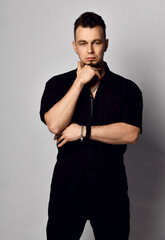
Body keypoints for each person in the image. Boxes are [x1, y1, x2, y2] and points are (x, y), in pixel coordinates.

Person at [40, 12, 143, 240]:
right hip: (68, 184)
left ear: (106, 44)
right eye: (83, 43)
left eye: (96, 42)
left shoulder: (127, 89)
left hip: (110, 184)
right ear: (74, 46)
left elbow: (132, 132)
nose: (90, 51)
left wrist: (83, 131)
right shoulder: (57, 85)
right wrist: (79, 81)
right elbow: (54, 123)